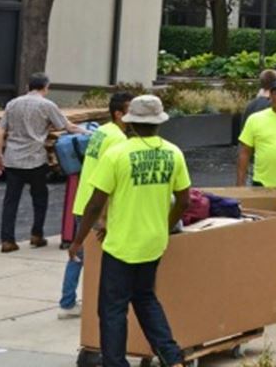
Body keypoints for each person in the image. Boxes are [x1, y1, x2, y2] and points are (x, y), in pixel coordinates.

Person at [68, 95, 189, 367]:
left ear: (130, 122)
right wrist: (164, 226)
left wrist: (77, 241)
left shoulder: (117, 154)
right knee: (145, 299)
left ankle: (115, 363)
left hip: (121, 245)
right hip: (153, 243)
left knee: (112, 310)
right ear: (159, 122)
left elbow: (95, 203)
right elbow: (184, 201)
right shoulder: (174, 153)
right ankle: (172, 358)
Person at [59, 91, 132, 319]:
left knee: (78, 254)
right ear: (119, 114)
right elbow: (110, 179)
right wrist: (104, 216)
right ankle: (85, 303)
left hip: (83, 200)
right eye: (130, 111)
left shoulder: (102, 131)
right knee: (99, 259)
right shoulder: (118, 140)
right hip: (97, 206)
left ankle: (67, 302)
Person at [0, 72, 86, 253]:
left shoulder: (12, 104)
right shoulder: (47, 105)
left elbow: (0, 132)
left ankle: (7, 240)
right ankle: (36, 235)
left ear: (27, 87)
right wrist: (90, 132)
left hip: (13, 159)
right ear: (46, 87)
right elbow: (68, 127)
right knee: (40, 198)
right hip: (35, 159)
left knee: (10, 201)